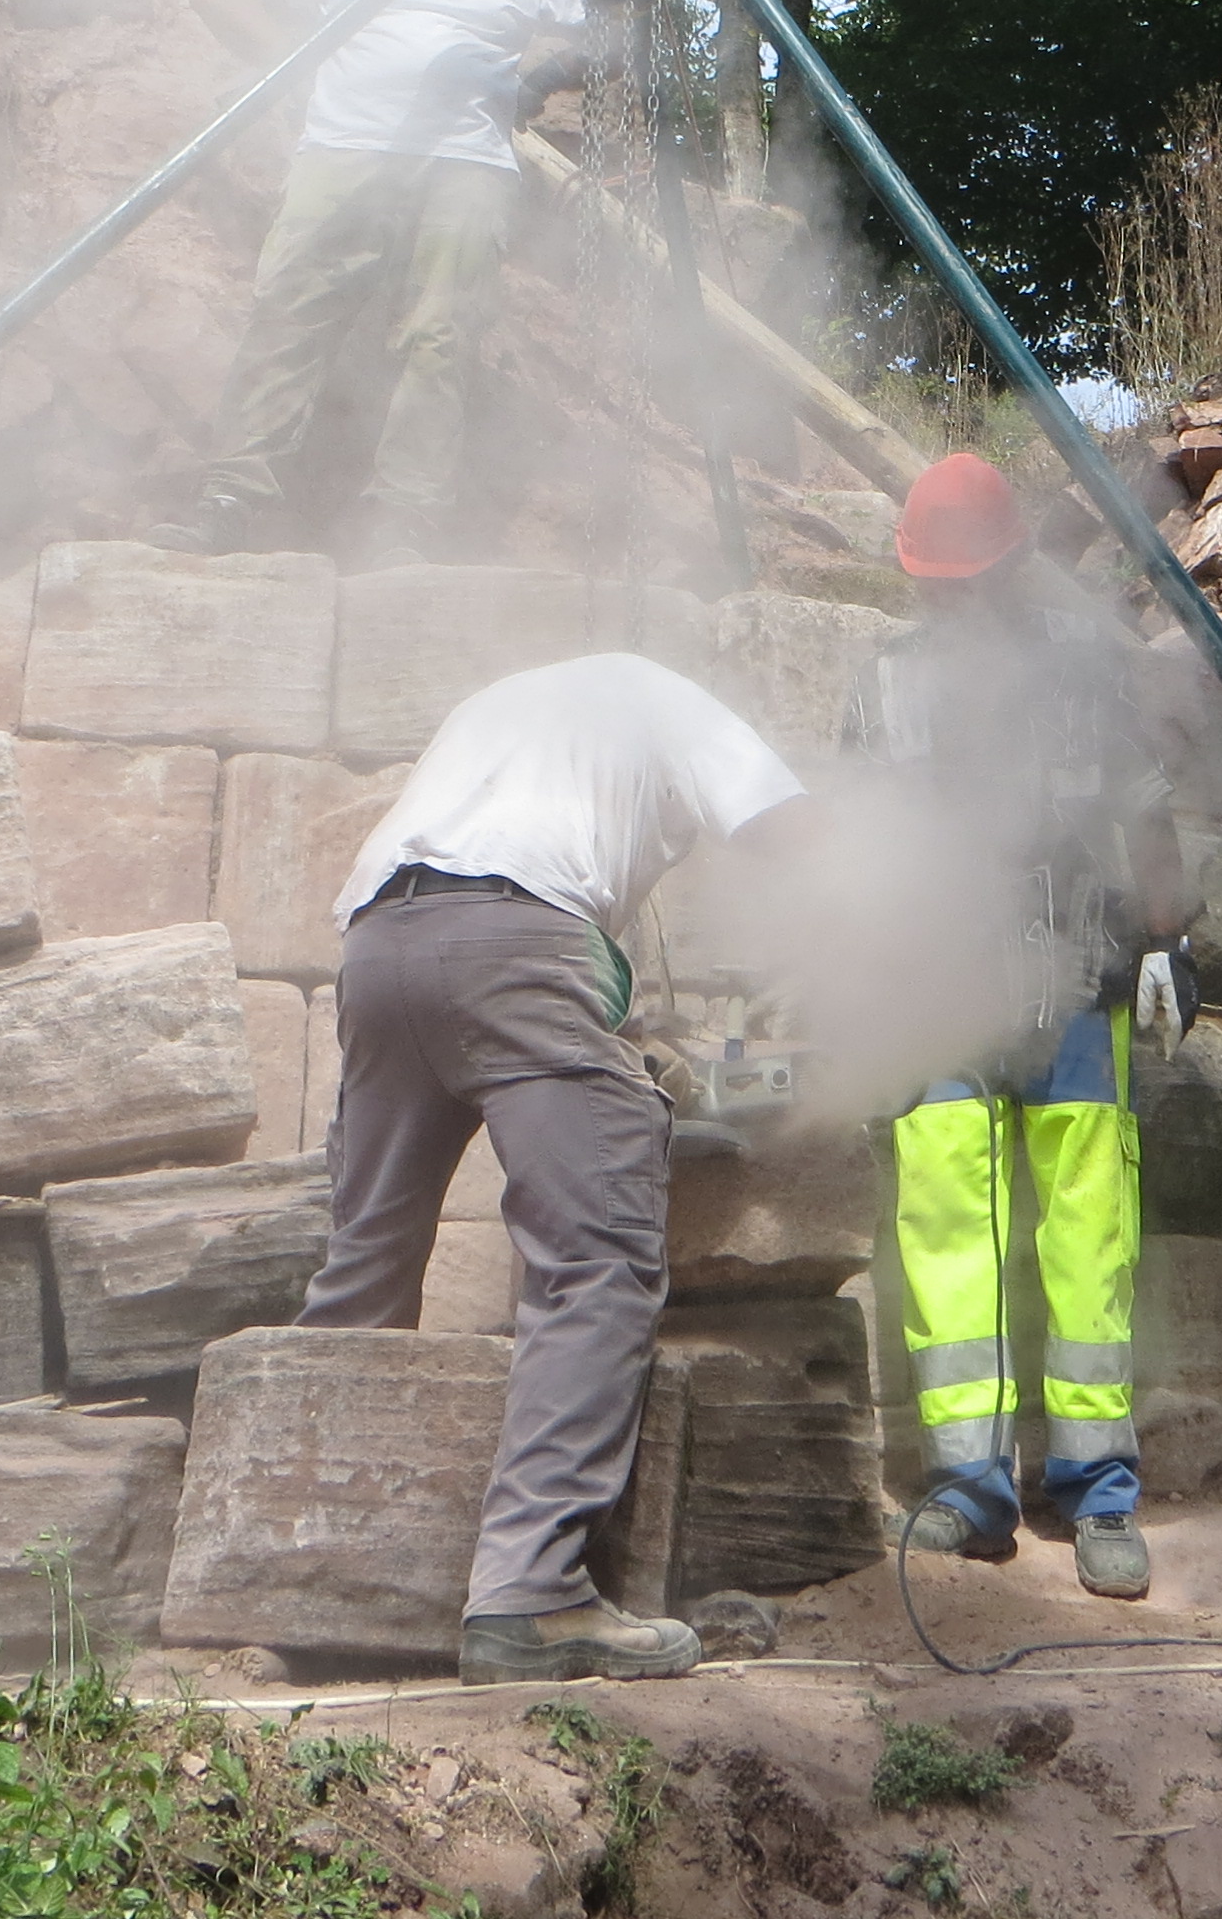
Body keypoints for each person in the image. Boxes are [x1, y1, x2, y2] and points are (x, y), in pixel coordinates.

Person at [296, 648, 817, 1684]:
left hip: (379, 947)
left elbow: (491, 912)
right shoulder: (665, 693)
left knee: (367, 1258)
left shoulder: (503, 706)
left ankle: (301, 1573)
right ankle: (532, 1596)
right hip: (521, 943)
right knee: (595, 1263)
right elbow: (796, 834)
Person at [857, 452, 1194, 1600]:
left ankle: (1098, 1490)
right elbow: (851, 842)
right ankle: (970, 1490)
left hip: (1074, 988)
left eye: (971, 580)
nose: (954, 599)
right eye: (936, 583)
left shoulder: (1079, 672)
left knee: (1089, 1242)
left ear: (1008, 569)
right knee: (946, 1232)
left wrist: (1167, 942)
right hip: (939, 1001)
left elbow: (1145, 811)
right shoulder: (883, 683)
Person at [162, 0, 581, 566]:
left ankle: (404, 527)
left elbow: (613, 27)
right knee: (289, 311)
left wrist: (544, 79)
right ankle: (230, 501)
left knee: (440, 338)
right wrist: (293, 69)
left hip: (466, 165)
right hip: (344, 148)